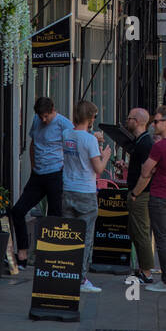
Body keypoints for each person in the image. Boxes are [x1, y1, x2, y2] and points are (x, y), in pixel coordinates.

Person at [11, 96, 72, 268]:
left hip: (55, 175)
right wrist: (32, 166)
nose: (44, 120)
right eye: (41, 116)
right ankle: (22, 254)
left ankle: (51, 260)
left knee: (54, 217)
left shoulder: (63, 124)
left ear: (53, 110)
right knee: (18, 211)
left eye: (46, 116)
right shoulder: (37, 120)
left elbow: (75, 144)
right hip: (38, 175)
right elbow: (33, 143)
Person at [130, 106, 166, 293]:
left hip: (160, 196)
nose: (153, 124)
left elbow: (145, 171)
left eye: (157, 121)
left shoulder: (160, 146)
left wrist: (136, 191)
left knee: (162, 239)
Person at [61, 100, 112, 294]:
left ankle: (66, 272)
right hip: (85, 191)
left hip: (68, 188)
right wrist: (105, 153)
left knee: (68, 236)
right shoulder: (89, 140)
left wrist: (94, 141)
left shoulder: (66, 134)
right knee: (85, 238)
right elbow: (98, 168)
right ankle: (81, 279)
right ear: (91, 118)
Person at [124, 107, 155, 284]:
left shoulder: (145, 143)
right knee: (135, 231)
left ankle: (146, 272)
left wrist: (136, 193)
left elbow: (147, 172)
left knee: (141, 233)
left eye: (129, 118)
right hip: (138, 191)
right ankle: (142, 268)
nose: (126, 121)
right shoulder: (141, 141)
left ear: (136, 121)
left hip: (141, 194)